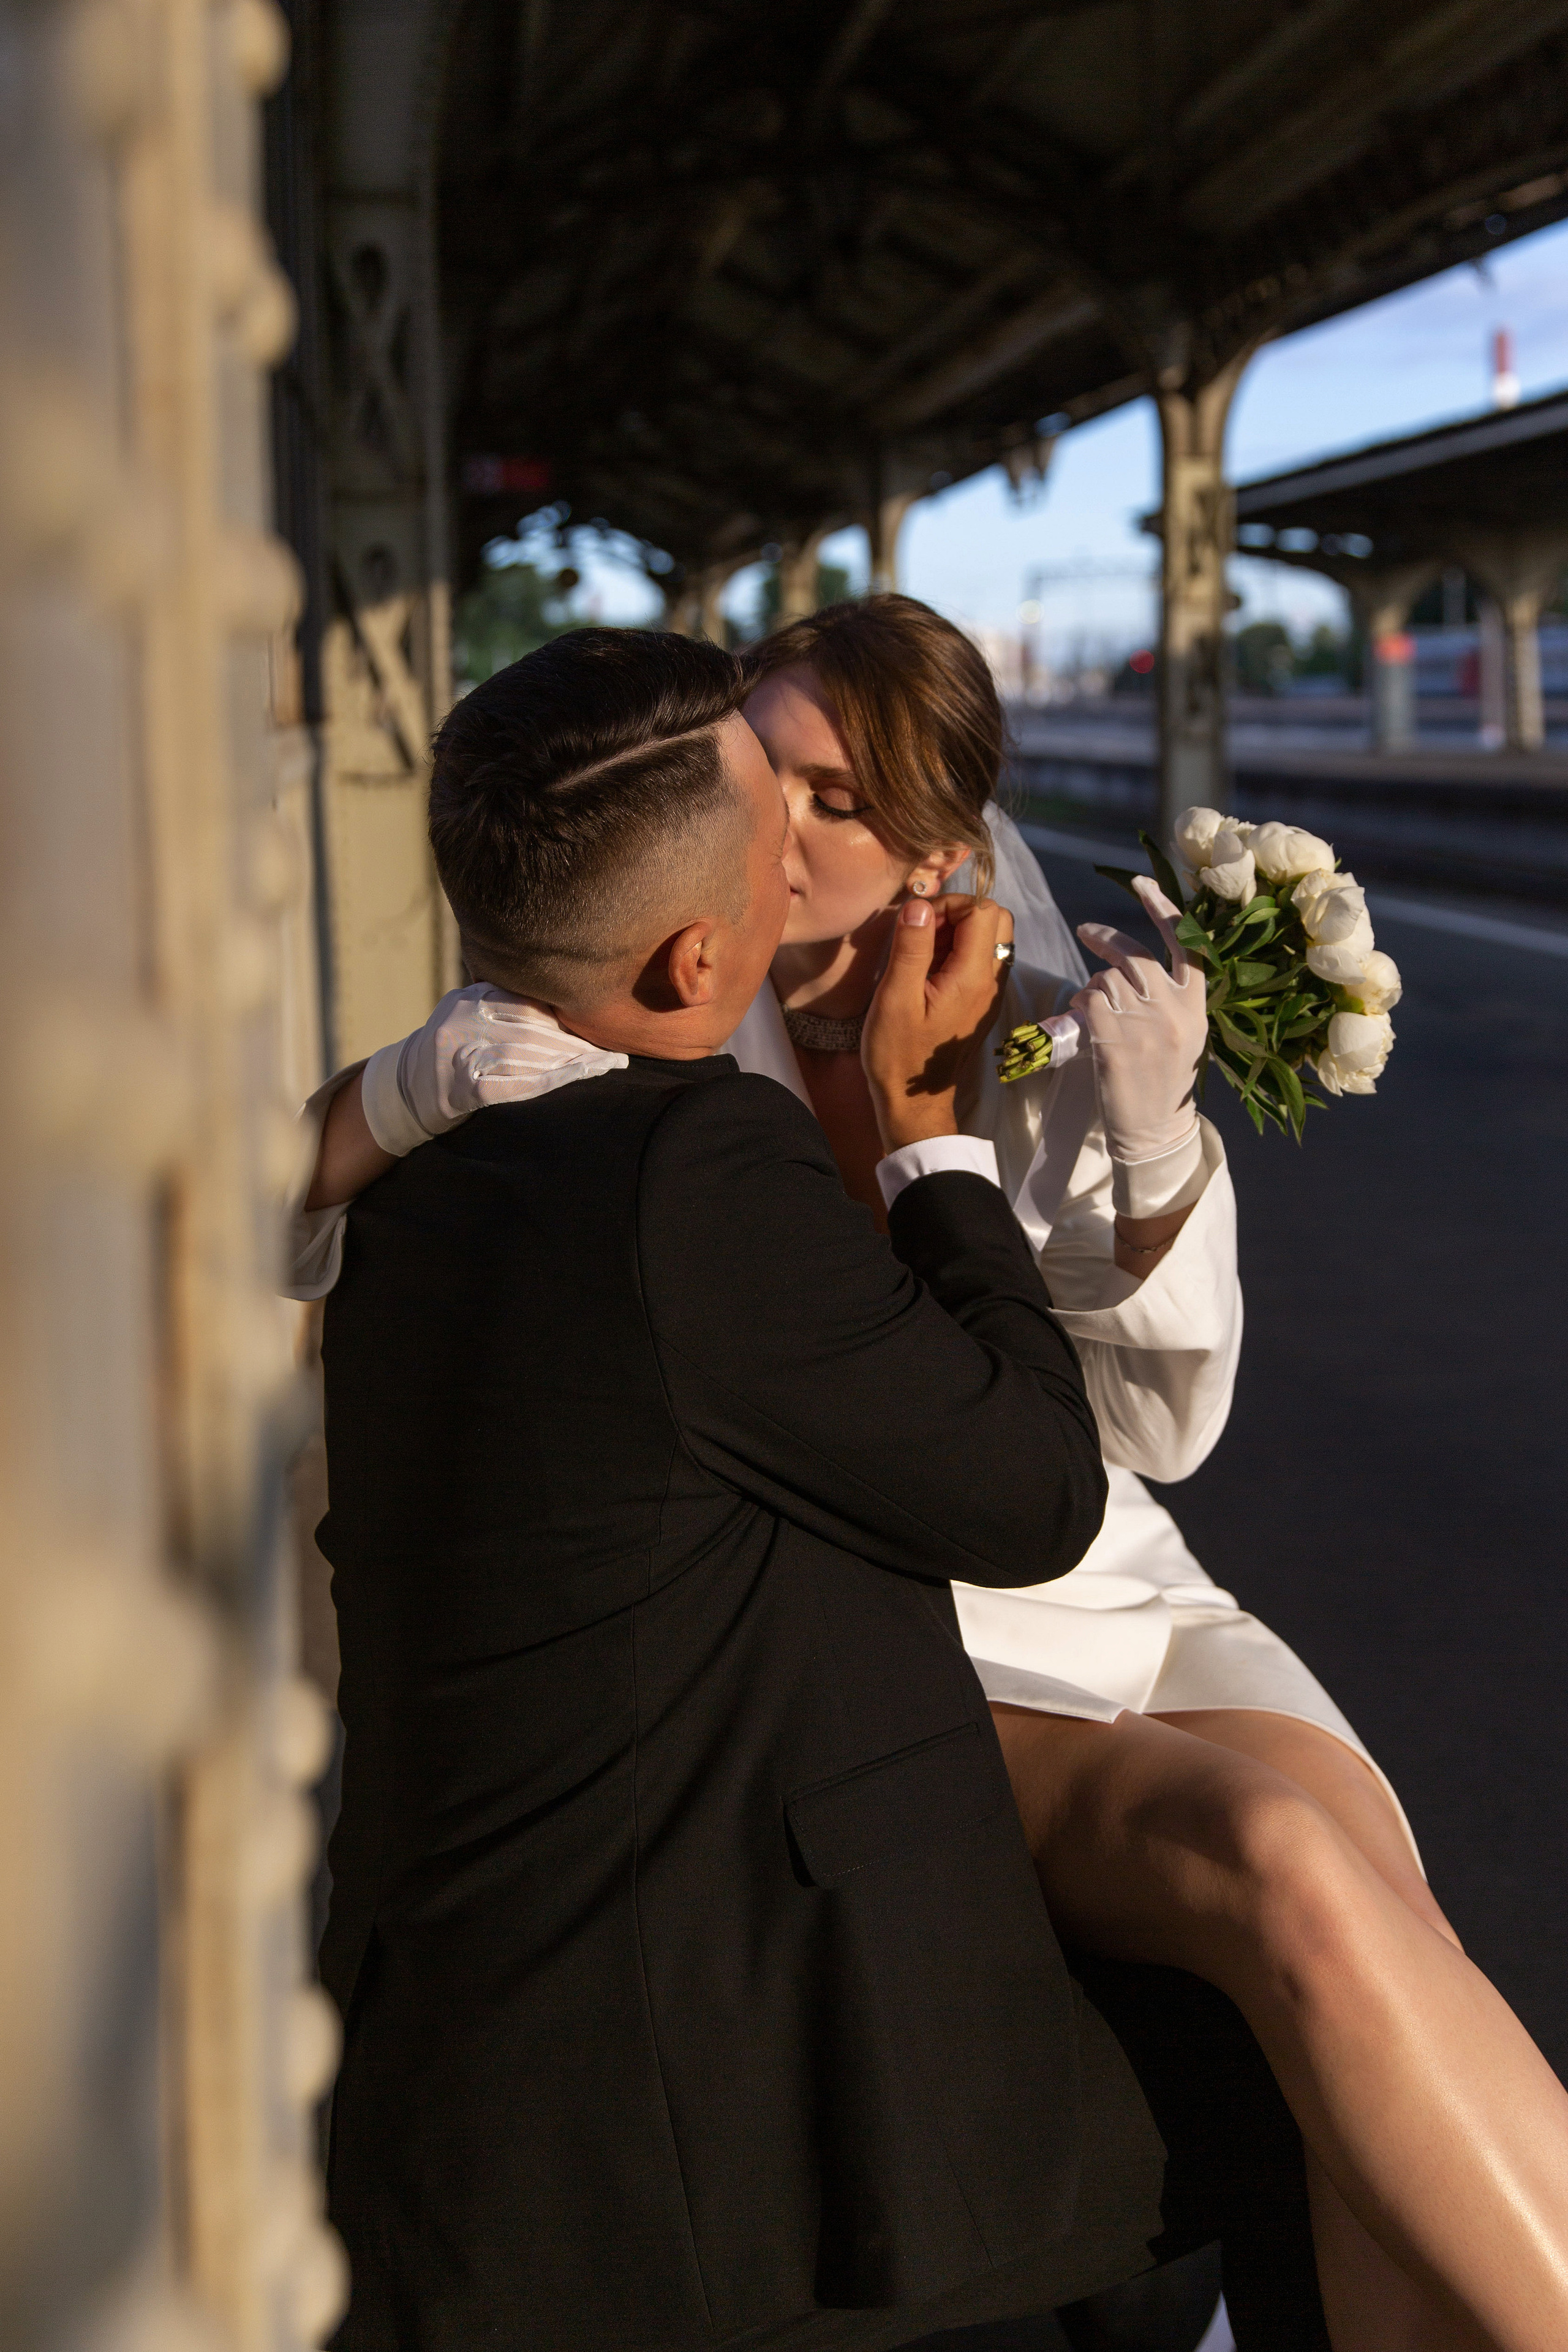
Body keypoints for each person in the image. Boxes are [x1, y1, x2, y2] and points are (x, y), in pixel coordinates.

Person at [304, 626, 1568, 2351]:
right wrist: (429, 1073)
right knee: (1284, 1874)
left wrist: (1153, 1142)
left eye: (831, 797)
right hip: (923, 1604)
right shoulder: (640, 1013)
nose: (770, 818)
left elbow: (1159, 1435)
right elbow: (301, 1173)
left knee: (1374, 1898)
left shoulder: (1045, 1038)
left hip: (1113, 1561)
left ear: (936, 860)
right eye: (760, 772)